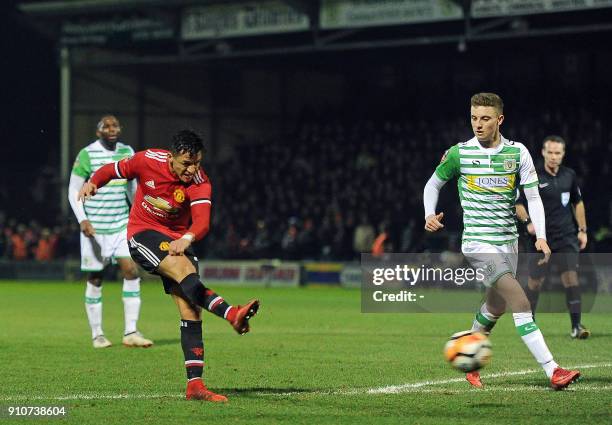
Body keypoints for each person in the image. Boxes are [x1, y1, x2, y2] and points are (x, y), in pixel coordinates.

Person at [78, 129, 259, 402]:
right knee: (185, 273)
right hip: (143, 233)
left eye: (197, 162)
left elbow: (202, 223)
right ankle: (231, 313)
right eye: (186, 163)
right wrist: (93, 182)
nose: (192, 169)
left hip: (178, 240)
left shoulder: (200, 182)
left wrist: (186, 238)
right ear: (171, 157)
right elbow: (113, 170)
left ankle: (195, 386)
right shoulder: (147, 160)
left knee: (191, 309)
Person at [422, 93, 580, 390]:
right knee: (520, 301)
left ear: (499, 119)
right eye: (473, 118)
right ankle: (553, 370)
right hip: (478, 244)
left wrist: (542, 237)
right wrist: (430, 213)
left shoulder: (517, 153)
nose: (478, 125)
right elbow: (433, 184)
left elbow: (533, 197)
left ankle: (467, 357)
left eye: (484, 118)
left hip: (509, 242)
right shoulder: (459, 153)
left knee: (495, 306)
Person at [69, 115, 153, 349]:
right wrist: (82, 219)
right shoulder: (87, 154)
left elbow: (132, 187)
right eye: (106, 126)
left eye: (115, 125)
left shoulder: (127, 151)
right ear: (98, 132)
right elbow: (73, 190)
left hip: (120, 225)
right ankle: (97, 334)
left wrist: (139, 215)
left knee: (131, 270)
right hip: (94, 229)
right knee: (96, 277)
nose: (111, 129)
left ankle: (131, 332)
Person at [516, 135, 590, 339]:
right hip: (541, 239)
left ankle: (576, 326)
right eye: (550, 152)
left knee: (571, 279)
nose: (554, 156)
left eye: (558, 153)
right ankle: (529, 325)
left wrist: (582, 230)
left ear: (563, 154)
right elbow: (519, 204)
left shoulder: (570, 175)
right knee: (535, 282)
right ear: (543, 152)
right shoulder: (533, 176)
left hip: (566, 237)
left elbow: (578, 202)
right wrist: (528, 222)